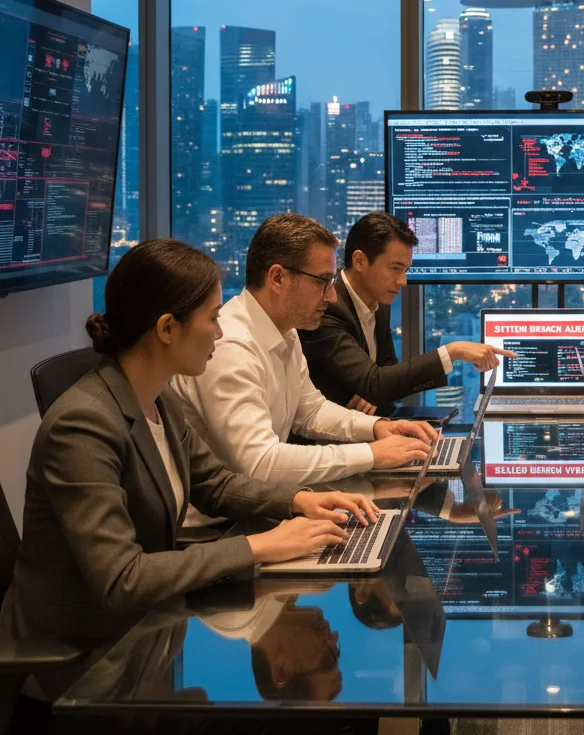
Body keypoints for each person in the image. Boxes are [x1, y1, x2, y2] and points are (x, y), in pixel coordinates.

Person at [0, 239, 379, 647]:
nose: (220, 332)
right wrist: (258, 545)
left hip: (147, 626)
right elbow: (122, 580)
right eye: (212, 318)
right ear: (166, 328)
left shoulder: (158, 396)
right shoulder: (81, 426)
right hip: (80, 652)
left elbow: (215, 484)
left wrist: (299, 500)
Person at [172, 214, 436, 496]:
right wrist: (371, 454)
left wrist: (379, 428)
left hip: (263, 504)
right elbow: (260, 462)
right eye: (322, 281)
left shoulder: (285, 330)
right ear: (277, 278)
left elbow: (311, 411)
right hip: (218, 528)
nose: (331, 296)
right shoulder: (230, 347)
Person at [299, 212, 515, 414]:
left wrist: (377, 391)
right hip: (322, 443)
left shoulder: (378, 299)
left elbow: (387, 374)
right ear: (359, 261)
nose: (403, 281)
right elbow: (377, 383)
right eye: (394, 268)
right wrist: (452, 351)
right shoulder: (327, 307)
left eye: (405, 270)